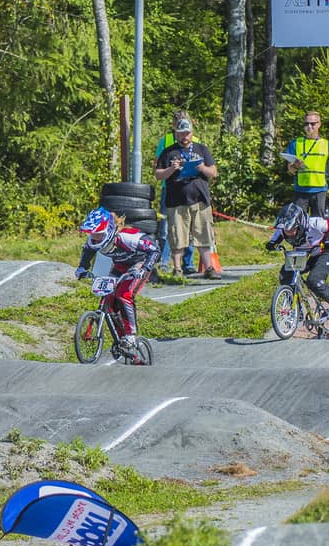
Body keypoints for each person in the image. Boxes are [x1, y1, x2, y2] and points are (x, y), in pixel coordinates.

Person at [74, 208, 159, 363]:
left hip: (138, 265)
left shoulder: (128, 237)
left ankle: (131, 335)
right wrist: (81, 269)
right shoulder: (92, 241)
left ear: (108, 230)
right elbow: (87, 252)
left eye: (98, 234)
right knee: (109, 300)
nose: (94, 238)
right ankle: (122, 341)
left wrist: (145, 268)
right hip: (119, 267)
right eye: (92, 234)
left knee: (123, 294)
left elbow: (154, 250)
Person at [154, 116, 221, 279]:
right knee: (177, 235)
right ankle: (177, 269)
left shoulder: (202, 149)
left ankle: (209, 267)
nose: (184, 137)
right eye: (181, 134)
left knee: (203, 234)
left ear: (192, 133)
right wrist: (171, 169)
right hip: (176, 201)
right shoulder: (168, 152)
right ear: (176, 134)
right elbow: (158, 175)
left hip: (200, 200)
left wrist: (202, 168)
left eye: (187, 133)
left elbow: (214, 172)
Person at [264, 203, 329, 324]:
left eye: (292, 229)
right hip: (304, 255)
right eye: (286, 230)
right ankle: (296, 311)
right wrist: (272, 243)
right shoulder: (283, 229)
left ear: (300, 225)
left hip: (325, 252)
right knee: (285, 275)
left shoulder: (315, 223)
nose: (288, 232)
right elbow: (277, 234)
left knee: (314, 280)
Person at [153, 116, 197, 277]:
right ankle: (164, 262)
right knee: (167, 227)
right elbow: (157, 163)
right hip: (170, 189)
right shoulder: (165, 141)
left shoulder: (195, 140)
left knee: (189, 227)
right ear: (173, 125)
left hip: (190, 189)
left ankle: (188, 263)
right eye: (177, 123)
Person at [283, 112, 329, 216]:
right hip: (300, 191)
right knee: (299, 225)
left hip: (320, 191)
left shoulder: (327, 144)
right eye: (306, 124)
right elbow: (290, 170)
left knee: (318, 226)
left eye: (312, 124)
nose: (309, 127)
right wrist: (295, 166)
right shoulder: (295, 144)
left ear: (319, 124)